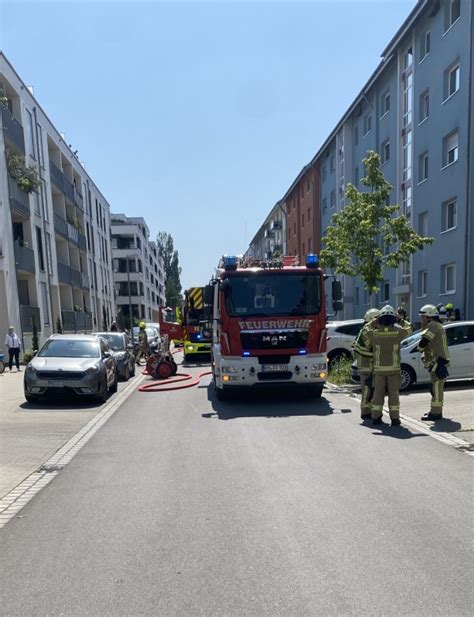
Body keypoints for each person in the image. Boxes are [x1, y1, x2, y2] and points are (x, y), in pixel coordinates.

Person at [366, 305, 411, 427]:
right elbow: (409, 328)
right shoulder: (398, 333)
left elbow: (365, 330)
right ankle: (395, 419)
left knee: (378, 394)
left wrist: (373, 322)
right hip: (394, 369)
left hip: (379, 370)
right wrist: (400, 319)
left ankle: (376, 417)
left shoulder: (375, 334)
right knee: (393, 395)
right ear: (392, 319)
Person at [418, 304, 450, 421]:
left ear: (428, 317)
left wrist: (420, 349)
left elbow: (424, 341)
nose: (421, 319)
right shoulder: (437, 325)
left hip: (438, 361)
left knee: (436, 388)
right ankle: (436, 411)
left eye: (423, 316)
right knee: (435, 387)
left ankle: (435, 413)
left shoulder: (432, 325)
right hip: (438, 361)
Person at [352, 308, 380, 420]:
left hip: (368, 364)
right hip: (365, 365)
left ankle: (369, 410)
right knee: (367, 388)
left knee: (370, 387)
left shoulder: (369, 329)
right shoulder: (366, 330)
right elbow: (372, 347)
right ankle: (365, 412)